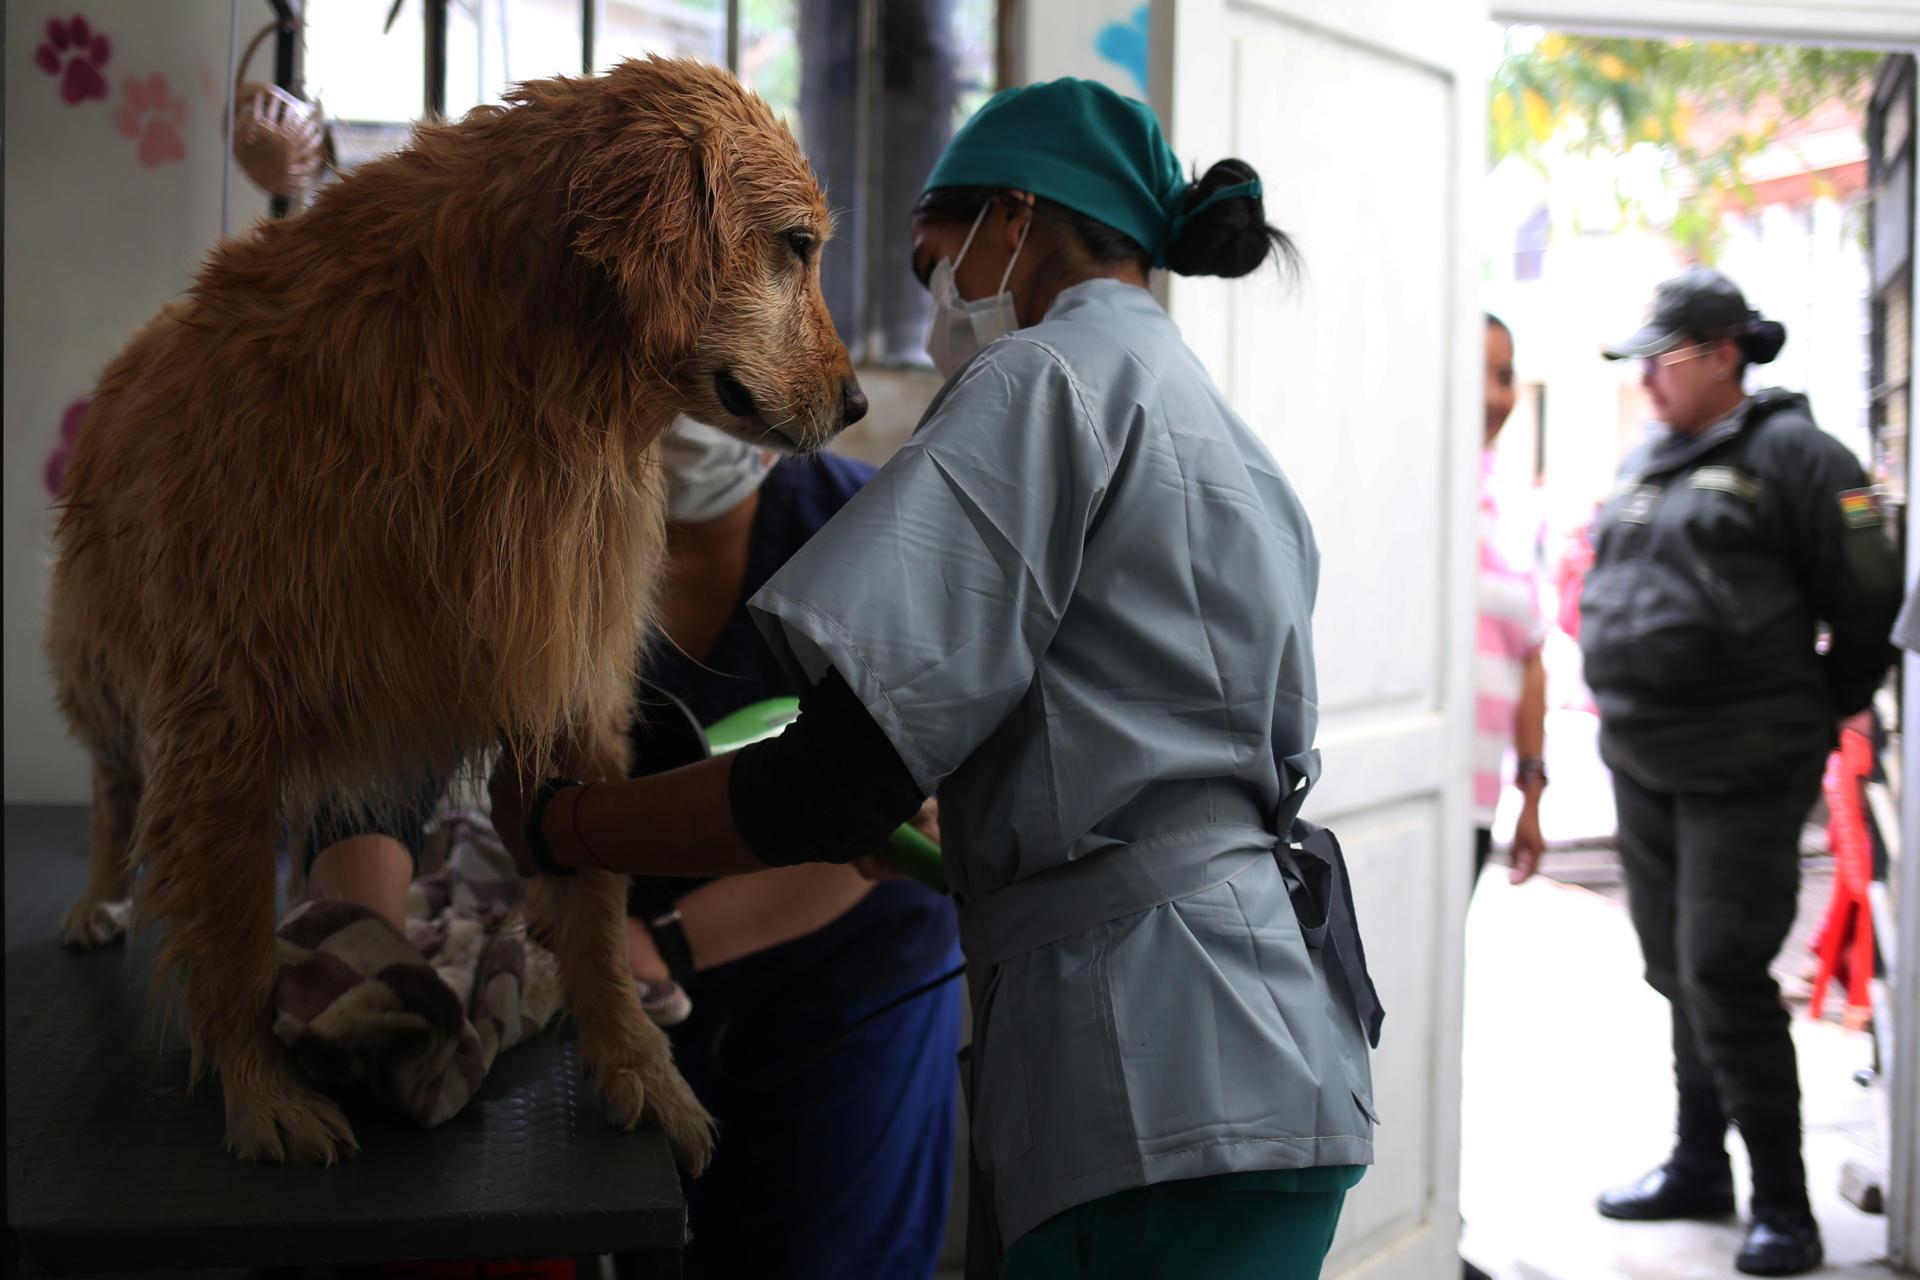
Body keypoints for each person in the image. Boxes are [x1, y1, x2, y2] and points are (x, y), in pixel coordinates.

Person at [492, 77, 1381, 1280]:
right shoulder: (1218, 430)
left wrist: (570, 821)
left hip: (1155, 1061)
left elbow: (831, 786)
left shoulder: (1039, 382)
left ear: (1012, 220)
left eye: (929, 266)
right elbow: (1115, 749)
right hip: (1272, 1040)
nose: (929, 322)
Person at [1581, 268, 1902, 1277]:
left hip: (1748, 761)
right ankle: (1697, 1163)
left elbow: (1869, 604)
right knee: (1676, 968)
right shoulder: (1649, 461)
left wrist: (1813, 710)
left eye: (1663, 361)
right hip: (1644, 757)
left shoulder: (1802, 456)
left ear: (1727, 353)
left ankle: (1783, 1205)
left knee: (1721, 964)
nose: (1647, 382)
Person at [620, 419, 964, 1279]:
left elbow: (876, 803)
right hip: (655, 1000)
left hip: (855, 984)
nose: (683, 423)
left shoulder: (865, 528)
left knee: (833, 1256)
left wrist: (658, 946)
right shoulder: (566, 552)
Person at [1476, 313, 1548, 888]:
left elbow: (1530, 655)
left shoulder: (1509, 502)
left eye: (1503, 376)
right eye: (1475, 373)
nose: (1492, 396)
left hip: (1473, 805)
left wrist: (1531, 795)